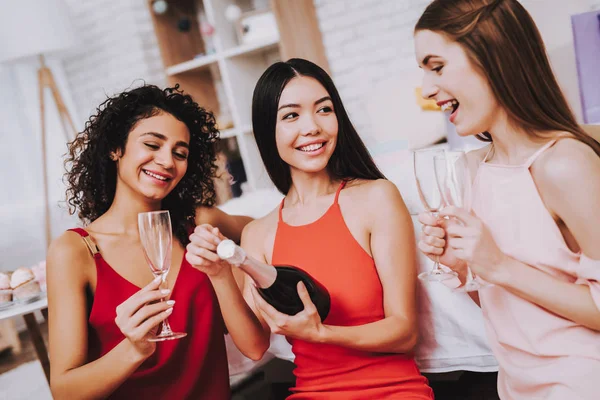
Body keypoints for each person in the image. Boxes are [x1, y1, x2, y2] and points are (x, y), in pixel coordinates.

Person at [191, 58, 434, 399]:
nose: (313, 127)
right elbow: (255, 346)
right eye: (291, 115)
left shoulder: (376, 198)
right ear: (267, 131)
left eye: (324, 110)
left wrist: (323, 334)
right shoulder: (259, 234)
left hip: (392, 391)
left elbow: (404, 331)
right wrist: (218, 275)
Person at [414, 1, 600, 399]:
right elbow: (513, 314)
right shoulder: (469, 170)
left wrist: (498, 265)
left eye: (438, 66)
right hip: (515, 387)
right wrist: (464, 267)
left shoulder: (564, 164)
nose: (427, 90)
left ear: (492, 54)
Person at [47, 84, 269, 399]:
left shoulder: (200, 224)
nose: (167, 161)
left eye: (180, 153)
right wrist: (134, 349)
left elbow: (268, 230)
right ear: (115, 148)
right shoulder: (75, 252)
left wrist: (229, 268)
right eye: (152, 144)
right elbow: (65, 391)